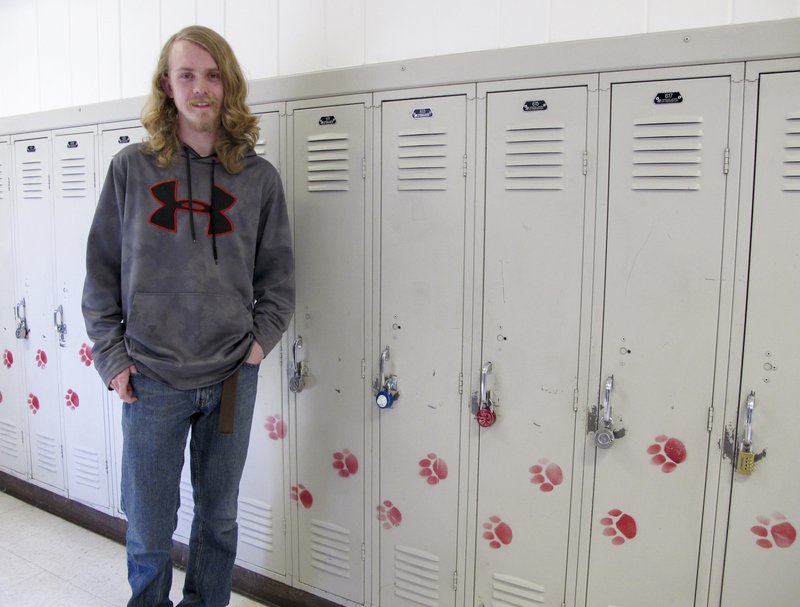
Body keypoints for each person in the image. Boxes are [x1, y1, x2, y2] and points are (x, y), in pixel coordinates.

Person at [82, 25, 294, 607]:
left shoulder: (258, 179)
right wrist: (112, 357)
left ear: (228, 85)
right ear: (167, 86)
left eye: (212, 74)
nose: (200, 88)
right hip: (150, 380)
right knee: (149, 529)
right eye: (186, 74)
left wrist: (253, 350)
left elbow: (278, 281)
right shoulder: (131, 170)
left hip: (230, 378)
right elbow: (100, 274)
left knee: (219, 521)